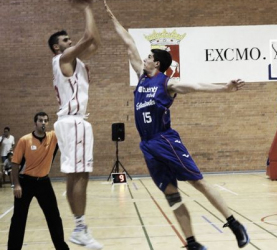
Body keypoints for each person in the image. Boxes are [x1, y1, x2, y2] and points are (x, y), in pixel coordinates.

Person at [104, 1, 249, 249]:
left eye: (149, 56)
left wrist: (225, 88)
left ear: (157, 63)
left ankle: (234, 223)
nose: (145, 58)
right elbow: (129, 43)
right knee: (171, 193)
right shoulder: (141, 78)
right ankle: (192, 242)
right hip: (147, 145)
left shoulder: (167, 83)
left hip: (165, 140)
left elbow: (196, 87)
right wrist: (109, 16)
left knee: (198, 182)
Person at [47, 0, 102, 249]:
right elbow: (89, 37)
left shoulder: (74, 61)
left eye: (70, 40)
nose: (70, 42)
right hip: (74, 121)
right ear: (57, 47)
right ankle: (80, 229)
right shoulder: (64, 58)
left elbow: (96, 42)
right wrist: (87, 7)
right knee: (81, 175)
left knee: (74, 176)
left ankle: (79, 227)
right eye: (66, 40)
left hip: (68, 122)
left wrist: (89, 13)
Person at [7, 112, 69, 250]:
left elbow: (65, 126)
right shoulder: (25, 140)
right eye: (40, 120)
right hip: (25, 183)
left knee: (54, 217)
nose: (43, 123)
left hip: (44, 183)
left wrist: (75, 114)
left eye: (46, 121)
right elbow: (15, 164)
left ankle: (62, 248)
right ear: (35, 123)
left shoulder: (53, 137)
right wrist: (16, 184)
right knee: (19, 218)